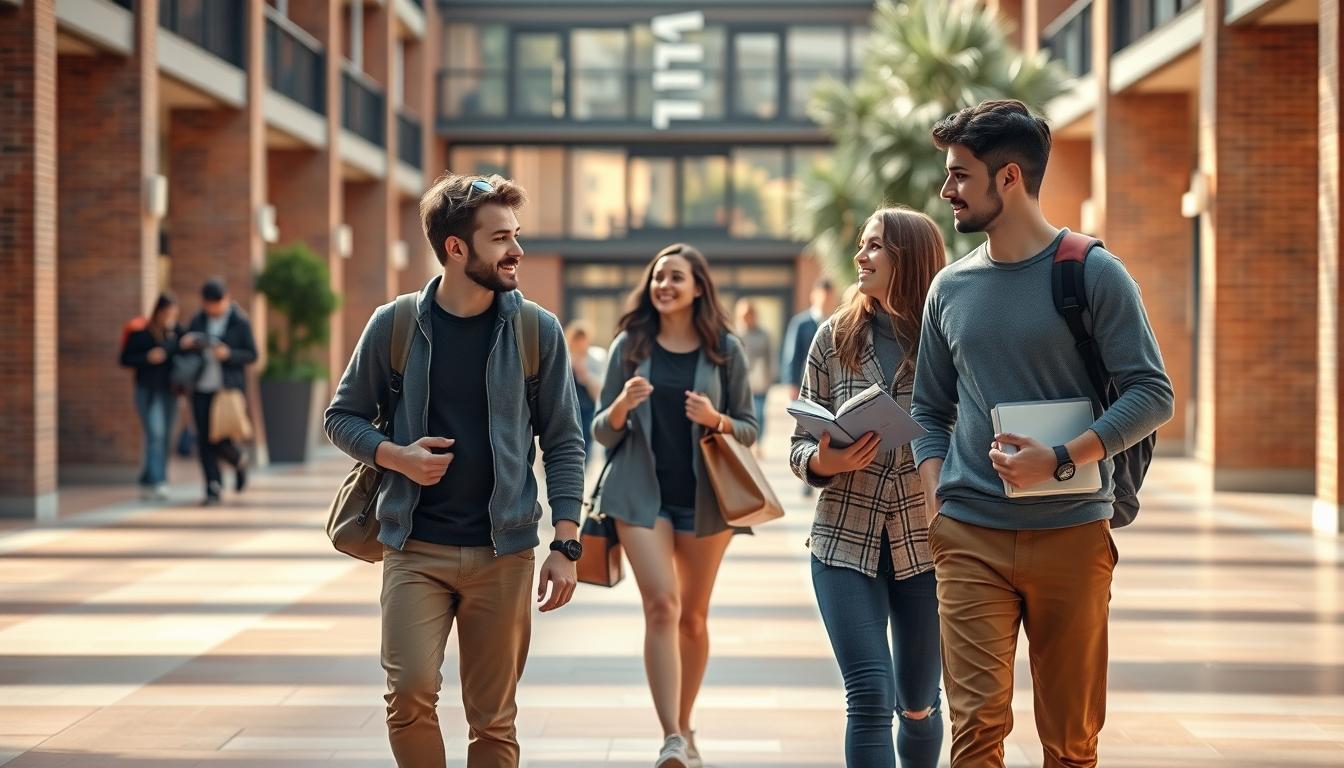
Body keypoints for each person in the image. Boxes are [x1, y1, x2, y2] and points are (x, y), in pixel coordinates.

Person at [911, 100, 1174, 768]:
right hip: (968, 533)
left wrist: (1062, 458)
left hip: (1073, 534)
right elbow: (928, 410)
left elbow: (1152, 392)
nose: (947, 191)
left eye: (960, 176)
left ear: (1008, 179)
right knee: (974, 733)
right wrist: (936, 494)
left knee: (1071, 739)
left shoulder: (1092, 272)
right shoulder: (949, 288)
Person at [324, 173, 587, 768]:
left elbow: (566, 442)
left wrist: (566, 541)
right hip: (414, 547)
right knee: (409, 694)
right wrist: (397, 456)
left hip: (505, 555)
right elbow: (342, 417)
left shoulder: (535, 331)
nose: (516, 250)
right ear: (456, 248)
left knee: (493, 720)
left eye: (515, 235)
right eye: (501, 239)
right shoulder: (394, 324)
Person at [591, 243, 758, 768]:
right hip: (639, 498)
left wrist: (717, 419)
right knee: (662, 605)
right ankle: (670, 737)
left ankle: (686, 725)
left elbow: (750, 430)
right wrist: (619, 406)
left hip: (706, 502)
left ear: (698, 287)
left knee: (693, 618)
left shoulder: (725, 350)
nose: (664, 285)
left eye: (676, 277)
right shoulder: (630, 346)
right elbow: (601, 431)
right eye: (659, 276)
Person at [790, 207, 946, 768]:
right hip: (842, 542)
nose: (860, 256)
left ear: (909, 257)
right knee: (870, 697)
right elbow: (798, 446)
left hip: (925, 546)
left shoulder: (946, 336)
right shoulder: (834, 337)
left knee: (919, 701)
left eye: (875, 246)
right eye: (862, 244)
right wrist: (824, 462)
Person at [180, 278, 258, 506]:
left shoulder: (240, 322)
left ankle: (238, 459)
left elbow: (252, 355)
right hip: (201, 388)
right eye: (208, 305)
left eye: (216, 304)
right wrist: (186, 342)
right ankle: (212, 486)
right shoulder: (198, 319)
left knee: (220, 438)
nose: (212, 309)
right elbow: (184, 345)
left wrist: (229, 355)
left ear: (225, 299)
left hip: (226, 390)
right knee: (204, 439)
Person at [119, 292, 181, 500]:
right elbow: (125, 359)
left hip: (170, 391)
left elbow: (182, 353)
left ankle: (148, 479)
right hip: (147, 390)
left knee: (165, 437)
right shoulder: (142, 333)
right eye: (168, 313)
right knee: (155, 434)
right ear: (159, 311)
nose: (170, 317)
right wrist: (147, 357)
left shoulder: (175, 334)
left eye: (174, 314)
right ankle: (158, 480)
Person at [781, 277, 835, 401]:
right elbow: (792, 355)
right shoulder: (800, 323)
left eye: (829, 297)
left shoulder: (834, 323)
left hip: (829, 385)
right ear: (814, 296)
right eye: (823, 297)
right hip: (804, 383)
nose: (826, 301)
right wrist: (792, 384)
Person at [733, 298, 774, 457]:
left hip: (760, 382)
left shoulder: (763, 334)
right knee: (743, 413)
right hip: (741, 383)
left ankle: (758, 443)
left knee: (760, 414)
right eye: (743, 315)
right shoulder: (735, 334)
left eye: (749, 314)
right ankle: (746, 442)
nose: (746, 318)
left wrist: (771, 377)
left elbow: (771, 357)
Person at [565, 320, 600, 461]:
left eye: (582, 339)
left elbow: (598, 391)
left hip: (587, 410)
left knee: (585, 447)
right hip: (566, 409)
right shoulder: (564, 357)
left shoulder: (595, 359)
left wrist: (584, 374)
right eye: (576, 339)